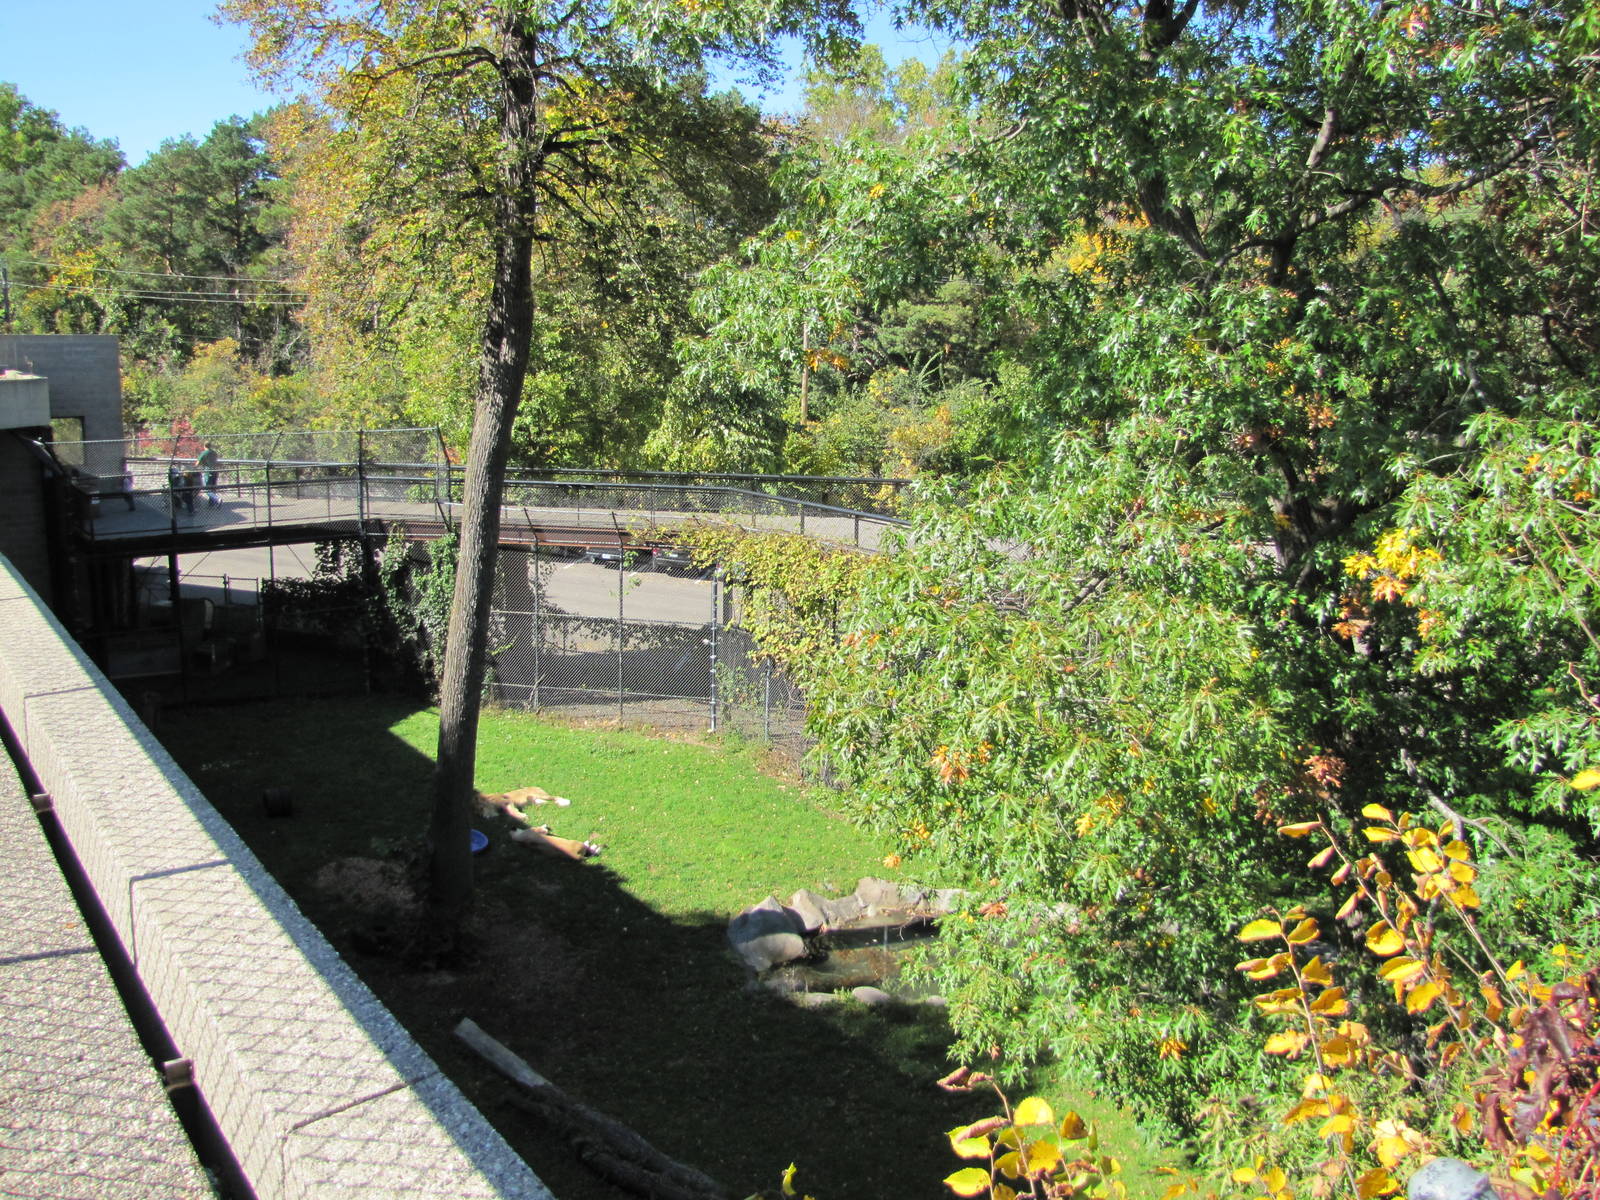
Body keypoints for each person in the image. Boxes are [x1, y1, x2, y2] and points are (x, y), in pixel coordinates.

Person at [196, 442, 221, 507]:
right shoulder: (214, 453)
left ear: (204, 446)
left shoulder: (204, 453)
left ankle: (217, 499)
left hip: (208, 472)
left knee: (206, 489)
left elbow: (197, 463)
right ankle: (211, 503)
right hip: (215, 471)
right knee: (213, 487)